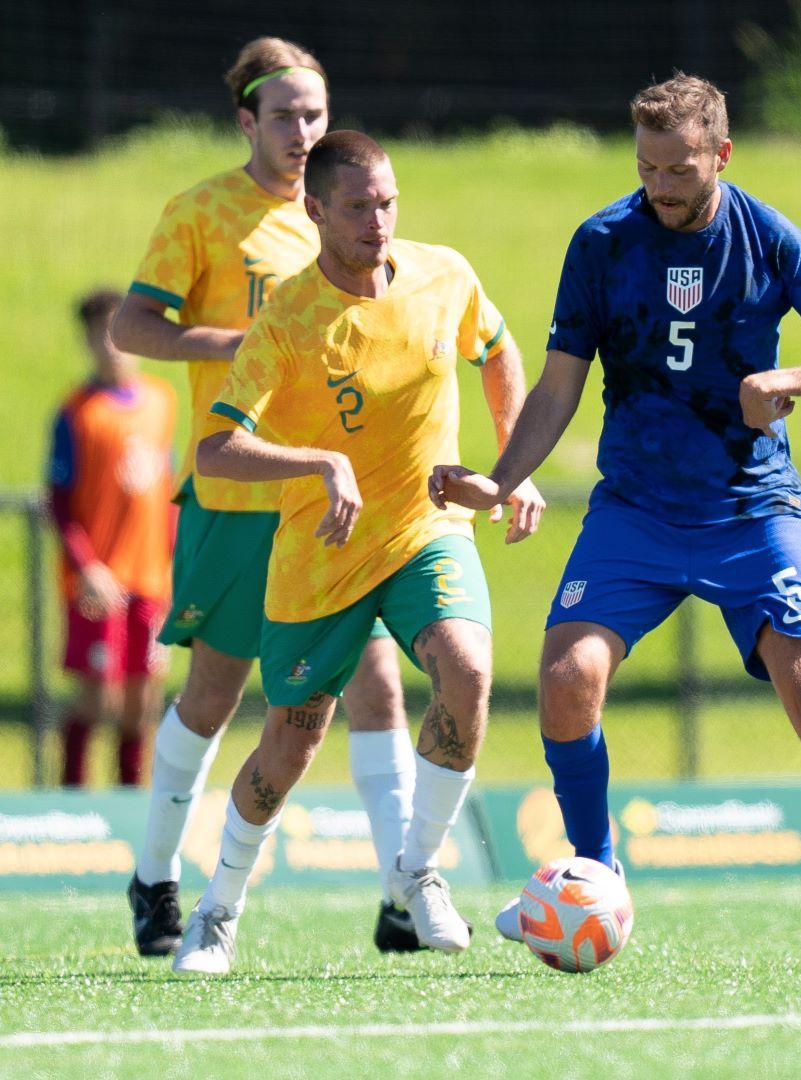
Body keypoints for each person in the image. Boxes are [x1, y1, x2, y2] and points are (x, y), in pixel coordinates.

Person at [431, 72, 801, 968]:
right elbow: (559, 386)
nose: (660, 188)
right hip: (636, 507)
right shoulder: (600, 242)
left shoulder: (768, 237)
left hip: (750, 507)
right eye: (646, 167)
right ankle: (595, 879)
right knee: (564, 679)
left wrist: (784, 383)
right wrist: (500, 478)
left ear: (721, 155)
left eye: (678, 169)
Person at [169, 129, 544, 974]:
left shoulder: (445, 274)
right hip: (320, 557)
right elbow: (216, 451)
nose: (378, 220)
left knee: (469, 669)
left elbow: (499, 349)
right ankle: (217, 911)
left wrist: (510, 469)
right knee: (287, 751)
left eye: (387, 201)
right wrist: (321, 461)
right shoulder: (289, 320)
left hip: (425, 529)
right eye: (357, 207)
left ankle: (417, 871)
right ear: (315, 212)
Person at [111, 37, 422, 958]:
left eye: (315, 115)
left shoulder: (346, 216)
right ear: (246, 120)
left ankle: (405, 893)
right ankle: (156, 878)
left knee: (377, 687)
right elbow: (135, 325)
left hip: (330, 501)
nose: (302, 131)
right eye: (284, 115)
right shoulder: (203, 213)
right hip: (238, 494)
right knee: (212, 691)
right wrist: (239, 343)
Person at [47, 288, 176, 788]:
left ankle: (129, 804)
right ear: (86, 342)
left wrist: (174, 570)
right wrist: (87, 568)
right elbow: (57, 500)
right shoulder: (76, 413)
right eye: (99, 334)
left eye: (119, 331)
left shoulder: (160, 403)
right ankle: (71, 803)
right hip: (98, 582)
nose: (112, 345)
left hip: (150, 579)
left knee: (141, 700)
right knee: (97, 695)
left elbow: (166, 496)